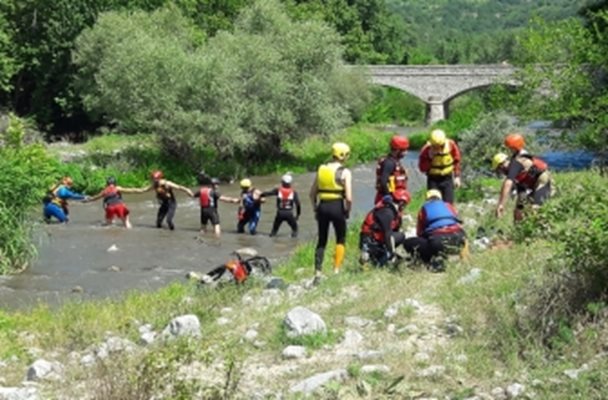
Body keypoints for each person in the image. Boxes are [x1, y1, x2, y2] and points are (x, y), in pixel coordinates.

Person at [309, 142, 353, 284]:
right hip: (337, 207)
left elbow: (311, 194)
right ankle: (336, 270)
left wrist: (315, 208)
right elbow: (349, 197)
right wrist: (347, 211)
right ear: (343, 155)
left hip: (322, 207)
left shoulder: (321, 169)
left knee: (322, 240)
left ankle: (317, 273)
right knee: (340, 238)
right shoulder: (345, 172)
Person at [493, 132, 552, 221]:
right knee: (518, 212)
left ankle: (543, 231)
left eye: (499, 168)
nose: (501, 171)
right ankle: (519, 232)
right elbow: (521, 188)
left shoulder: (517, 162)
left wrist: (501, 204)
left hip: (543, 181)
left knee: (535, 209)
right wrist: (519, 207)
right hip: (532, 185)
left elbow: (508, 183)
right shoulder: (516, 162)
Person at [403, 189, 466, 272]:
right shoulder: (448, 205)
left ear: (427, 199)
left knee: (408, 243)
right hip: (459, 238)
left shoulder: (424, 209)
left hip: (438, 242)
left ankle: (427, 262)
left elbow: (419, 232)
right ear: (440, 198)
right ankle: (464, 261)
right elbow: (457, 220)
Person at [359, 189, 409, 267]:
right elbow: (388, 234)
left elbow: (393, 230)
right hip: (370, 240)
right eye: (405, 205)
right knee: (382, 262)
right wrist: (392, 254)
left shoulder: (392, 210)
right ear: (401, 203)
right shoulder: (387, 212)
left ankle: (381, 255)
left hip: (378, 238)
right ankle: (369, 255)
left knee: (401, 236)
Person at [418, 129, 462, 204]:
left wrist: (457, 176)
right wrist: (430, 158)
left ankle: (449, 215)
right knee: (433, 203)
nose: (438, 148)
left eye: (441, 146)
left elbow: (456, 161)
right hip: (433, 179)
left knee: (448, 203)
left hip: (447, 178)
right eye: (435, 146)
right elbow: (422, 168)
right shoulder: (426, 150)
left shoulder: (451, 145)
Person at [193, 173, 239, 237]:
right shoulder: (214, 192)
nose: (217, 186)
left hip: (203, 211)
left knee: (203, 228)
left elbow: (193, 195)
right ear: (213, 185)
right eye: (217, 184)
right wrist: (234, 200)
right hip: (212, 211)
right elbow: (224, 199)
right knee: (216, 227)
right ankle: (216, 241)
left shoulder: (201, 191)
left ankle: (201, 240)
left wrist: (186, 190)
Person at [262, 174, 302, 238]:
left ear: (282, 182)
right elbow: (298, 204)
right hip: (289, 213)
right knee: (295, 229)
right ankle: (294, 243)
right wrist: (298, 215)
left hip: (280, 213)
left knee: (274, 231)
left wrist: (260, 195)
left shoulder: (278, 190)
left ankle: (272, 239)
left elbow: (268, 193)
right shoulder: (294, 192)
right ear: (290, 183)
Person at [375, 135, 411, 204]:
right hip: (386, 198)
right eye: (404, 150)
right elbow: (383, 181)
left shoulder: (394, 161)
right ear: (397, 150)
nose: (406, 153)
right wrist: (388, 197)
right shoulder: (389, 163)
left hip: (394, 196)